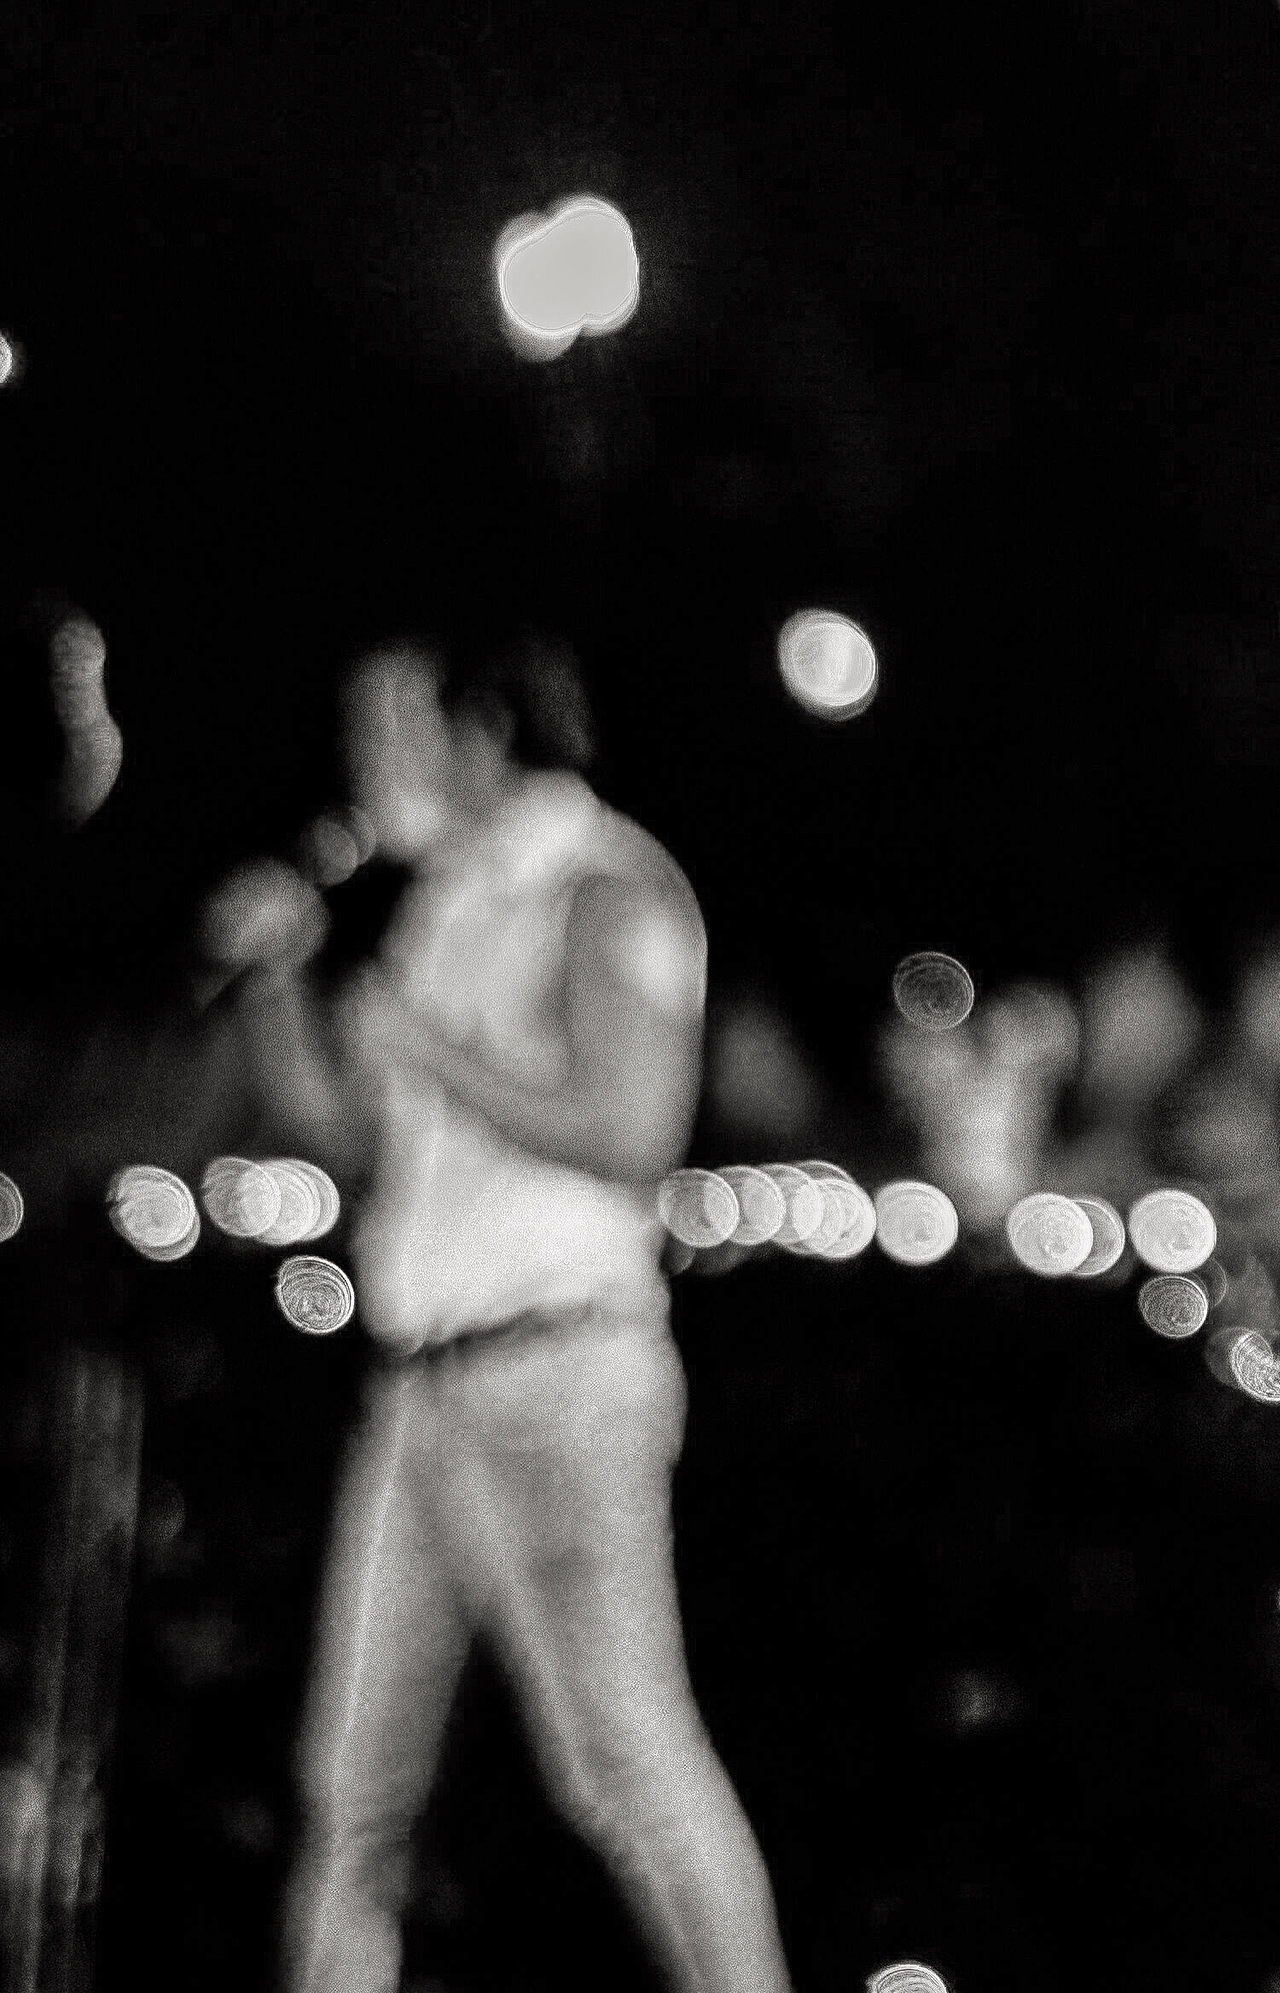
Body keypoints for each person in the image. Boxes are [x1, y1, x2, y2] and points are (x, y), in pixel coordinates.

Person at [209, 631, 791, 1993]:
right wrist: (276, 984)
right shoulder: (445, 903)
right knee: (351, 1799)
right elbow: (355, 1145)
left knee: (628, 1769)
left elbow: (635, 1132)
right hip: (422, 1384)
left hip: (556, 1376)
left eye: (389, 728)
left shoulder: (609, 883)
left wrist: (426, 1046)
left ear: (481, 728)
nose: (361, 763)